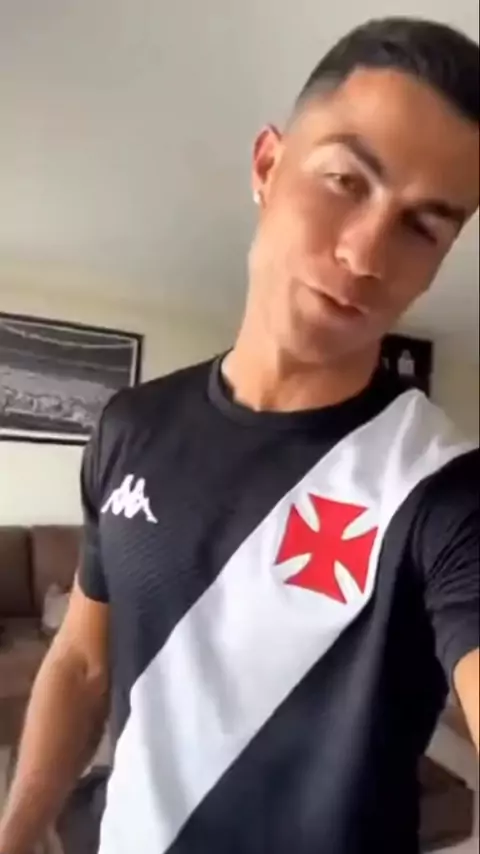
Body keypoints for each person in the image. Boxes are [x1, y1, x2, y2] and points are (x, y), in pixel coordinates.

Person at [1, 16, 479, 854]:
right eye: (346, 180)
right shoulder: (130, 426)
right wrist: (16, 833)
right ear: (267, 166)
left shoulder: (444, 488)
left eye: (421, 226)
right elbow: (80, 661)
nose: (366, 253)